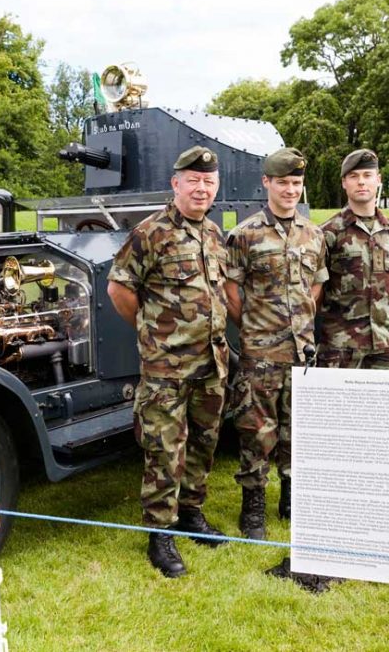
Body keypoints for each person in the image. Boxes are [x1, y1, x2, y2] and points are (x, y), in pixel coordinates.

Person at [107, 146, 229, 578]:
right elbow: (119, 289)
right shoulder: (150, 232)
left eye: (208, 182)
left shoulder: (213, 234)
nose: (201, 188)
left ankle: (192, 513)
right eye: (193, 181)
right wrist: (151, 330)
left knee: (202, 443)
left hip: (211, 363)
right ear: (176, 184)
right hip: (166, 367)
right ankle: (160, 534)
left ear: (216, 188)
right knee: (164, 448)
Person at [224, 147, 327, 539]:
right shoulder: (245, 235)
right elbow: (232, 290)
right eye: (283, 182)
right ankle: (253, 510)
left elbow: (316, 285)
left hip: (301, 353)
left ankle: (290, 498)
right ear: (266, 182)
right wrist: (253, 326)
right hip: (260, 354)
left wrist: (299, 323)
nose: (290, 190)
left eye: (296, 183)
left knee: (296, 430)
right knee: (255, 431)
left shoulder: (314, 235)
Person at [316, 149, 389, 370]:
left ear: (378, 179)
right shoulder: (328, 233)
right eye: (354, 176)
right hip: (340, 347)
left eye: (367, 176)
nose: (361, 182)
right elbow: (316, 291)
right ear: (344, 183)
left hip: (385, 344)